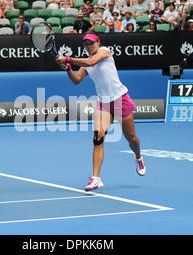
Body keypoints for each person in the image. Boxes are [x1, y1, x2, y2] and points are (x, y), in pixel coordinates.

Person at [55, 31, 146, 191]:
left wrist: (69, 59)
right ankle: (96, 178)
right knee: (98, 138)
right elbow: (76, 80)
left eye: (92, 43)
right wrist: (68, 68)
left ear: (98, 42)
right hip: (103, 103)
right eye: (86, 44)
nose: (89, 46)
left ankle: (138, 156)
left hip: (120, 99)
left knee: (131, 138)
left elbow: (92, 63)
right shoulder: (86, 62)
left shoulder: (104, 51)